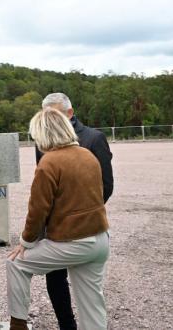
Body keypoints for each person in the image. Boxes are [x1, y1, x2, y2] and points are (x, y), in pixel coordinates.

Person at [6, 108, 110, 330]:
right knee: (92, 307)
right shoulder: (87, 155)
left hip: (72, 243)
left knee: (15, 264)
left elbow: (38, 210)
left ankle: (18, 325)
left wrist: (26, 242)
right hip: (100, 240)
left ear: (42, 134)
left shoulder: (49, 162)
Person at [37, 92, 114, 330]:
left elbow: (106, 186)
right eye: (46, 116)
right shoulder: (42, 141)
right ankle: (66, 325)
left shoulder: (93, 138)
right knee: (54, 279)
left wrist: (79, 215)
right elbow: (42, 187)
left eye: (56, 115)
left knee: (88, 286)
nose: (51, 121)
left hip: (85, 228)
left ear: (70, 113)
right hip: (54, 228)